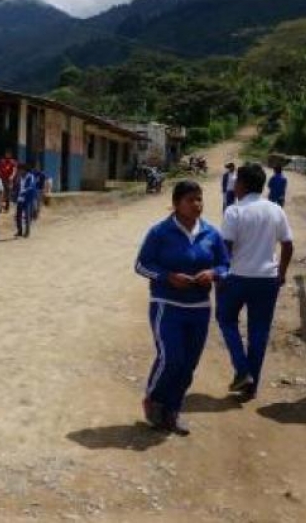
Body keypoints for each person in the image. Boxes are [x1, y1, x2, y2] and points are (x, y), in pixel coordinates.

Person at [134, 180, 229, 435]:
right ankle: (153, 399)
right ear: (176, 204)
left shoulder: (211, 233)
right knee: (171, 358)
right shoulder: (159, 232)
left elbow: (225, 266)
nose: (197, 205)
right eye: (191, 200)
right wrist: (167, 277)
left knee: (188, 365)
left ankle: (172, 412)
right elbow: (141, 265)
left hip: (199, 308)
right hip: (167, 305)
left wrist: (214, 273)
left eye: (200, 199)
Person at [216, 163, 294, 401]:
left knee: (226, 319)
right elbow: (288, 244)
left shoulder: (234, 211)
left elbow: (225, 247)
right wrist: (281, 272)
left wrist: (220, 275)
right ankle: (251, 385)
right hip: (267, 279)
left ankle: (242, 369)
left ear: (241, 184)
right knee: (259, 331)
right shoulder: (275, 210)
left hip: (237, 277)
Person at [14, 162, 38, 238]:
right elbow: (17, 186)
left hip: (27, 198)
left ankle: (27, 232)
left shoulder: (30, 176)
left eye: (19, 170)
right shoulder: (19, 177)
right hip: (20, 198)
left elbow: (31, 187)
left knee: (27, 216)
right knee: (18, 216)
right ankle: (20, 231)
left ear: (24, 170)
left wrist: (23, 192)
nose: (18, 171)